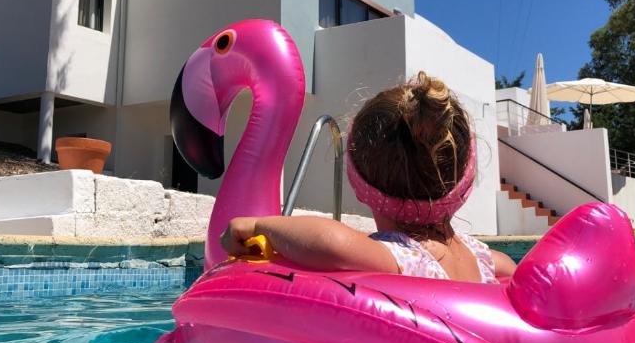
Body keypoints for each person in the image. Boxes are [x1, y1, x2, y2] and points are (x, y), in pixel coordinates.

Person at [221, 73, 516, 282]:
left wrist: (260, 224)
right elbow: (512, 268)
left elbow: (332, 242)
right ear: (464, 184)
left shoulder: (399, 259)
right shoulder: (487, 262)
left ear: (359, 183)